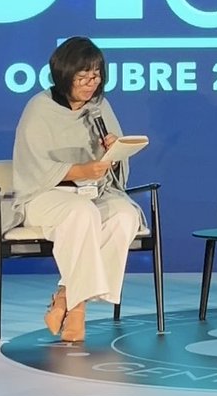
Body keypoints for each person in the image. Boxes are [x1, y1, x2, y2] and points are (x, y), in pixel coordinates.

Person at [12, 36, 143, 342]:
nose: (90, 84)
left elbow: (115, 163)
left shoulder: (100, 106)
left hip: (94, 191)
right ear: (63, 76)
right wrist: (81, 170)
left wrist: (112, 151)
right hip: (45, 195)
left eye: (95, 77)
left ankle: (66, 295)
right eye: (82, 77)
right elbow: (34, 166)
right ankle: (79, 309)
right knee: (81, 213)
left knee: (125, 215)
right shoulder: (39, 109)